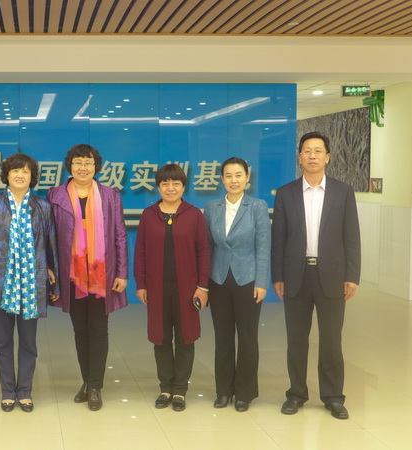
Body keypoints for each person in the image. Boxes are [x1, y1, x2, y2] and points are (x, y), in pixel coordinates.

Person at [271, 131, 361, 420]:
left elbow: (351, 237)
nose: (312, 155)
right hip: (296, 275)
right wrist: (277, 275)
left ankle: (333, 396)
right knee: (296, 340)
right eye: (307, 151)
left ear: (327, 157)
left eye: (318, 151)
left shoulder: (343, 192)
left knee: (332, 340)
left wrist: (352, 275)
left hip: (332, 276)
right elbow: (278, 238)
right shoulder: (286, 193)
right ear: (299, 158)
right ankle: (296, 394)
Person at [0, 153, 60, 413]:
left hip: (32, 283)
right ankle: (7, 392)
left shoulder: (42, 206)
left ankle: (24, 391)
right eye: (15, 171)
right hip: (0, 281)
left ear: (32, 176)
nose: (20, 175)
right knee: (2, 341)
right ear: (7, 175)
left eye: (25, 171)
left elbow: (51, 245)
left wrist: (53, 280)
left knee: (28, 342)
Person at [47, 144, 128, 411]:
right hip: (71, 275)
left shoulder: (110, 195)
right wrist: (50, 269)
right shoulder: (55, 195)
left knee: (98, 329)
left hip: (102, 273)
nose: (83, 167)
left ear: (96, 167)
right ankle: (87, 381)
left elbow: (119, 235)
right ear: (70, 166)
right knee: (80, 331)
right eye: (78, 162)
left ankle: (95, 386)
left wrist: (122, 272)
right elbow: (49, 236)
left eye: (88, 163)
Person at [134, 163, 210, 412]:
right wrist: (141, 284)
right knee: (161, 339)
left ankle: (180, 390)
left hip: (187, 289)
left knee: (186, 338)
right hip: (157, 289)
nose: (170, 188)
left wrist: (203, 286)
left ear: (183, 187)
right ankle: (165, 387)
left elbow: (203, 252)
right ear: (158, 187)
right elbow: (140, 251)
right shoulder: (149, 215)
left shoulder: (194, 215)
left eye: (176, 183)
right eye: (165, 183)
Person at [203, 157, 270, 412]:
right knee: (222, 338)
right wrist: (204, 284)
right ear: (222, 179)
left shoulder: (257, 206)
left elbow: (263, 247)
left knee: (247, 338)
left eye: (238, 175)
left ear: (247, 178)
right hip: (218, 279)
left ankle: (245, 393)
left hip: (248, 280)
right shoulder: (212, 207)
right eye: (229, 175)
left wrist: (261, 281)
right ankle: (223, 391)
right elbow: (207, 248)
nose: (234, 180)